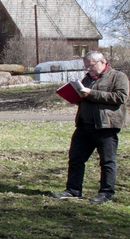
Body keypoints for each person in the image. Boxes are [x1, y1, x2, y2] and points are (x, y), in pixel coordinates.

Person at [53, 51, 129, 203]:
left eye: (91, 66)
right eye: (86, 66)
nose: (88, 69)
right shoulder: (87, 79)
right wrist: (74, 96)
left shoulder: (118, 77)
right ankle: (73, 190)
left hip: (106, 126)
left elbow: (120, 97)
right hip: (84, 125)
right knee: (75, 158)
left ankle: (106, 193)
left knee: (107, 161)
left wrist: (91, 93)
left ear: (102, 61)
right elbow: (85, 97)